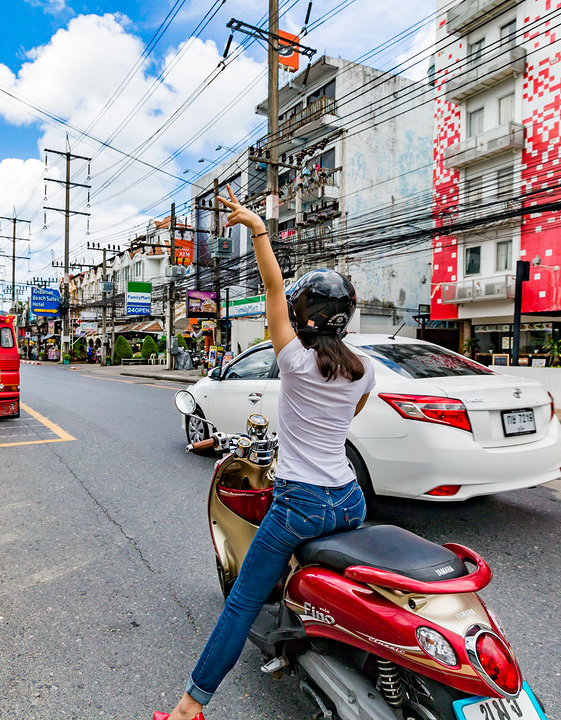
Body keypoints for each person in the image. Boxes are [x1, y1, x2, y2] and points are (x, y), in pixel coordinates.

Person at [156, 187, 375, 720]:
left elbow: (272, 284)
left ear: (303, 314)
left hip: (300, 501)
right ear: (346, 316)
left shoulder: (295, 360)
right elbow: (353, 414)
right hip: (350, 500)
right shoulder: (365, 368)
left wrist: (257, 227)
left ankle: (189, 707)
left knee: (241, 604)